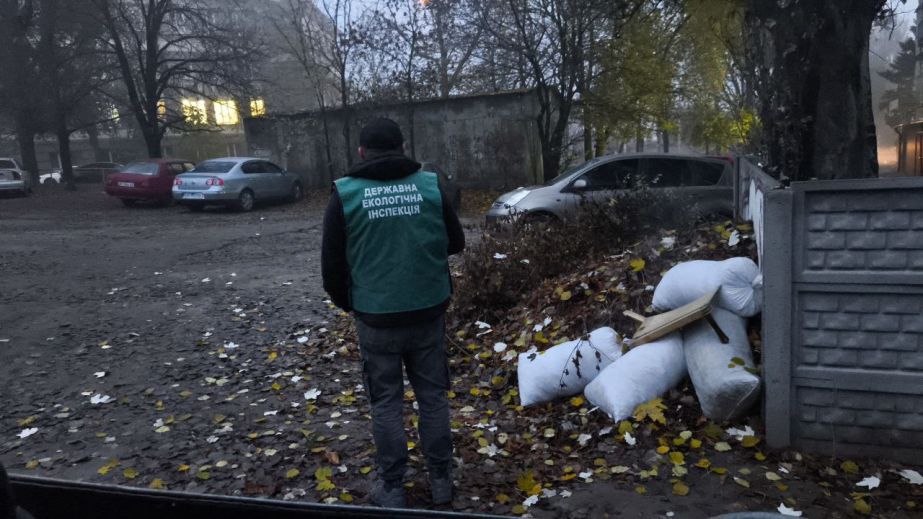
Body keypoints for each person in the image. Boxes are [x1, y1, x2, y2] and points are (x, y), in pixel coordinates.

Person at [321, 117, 465, 508]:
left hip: (376, 316)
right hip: (427, 312)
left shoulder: (345, 194)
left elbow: (332, 267)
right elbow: (456, 243)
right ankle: (440, 481)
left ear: (362, 152)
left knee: (385, 402)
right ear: (403, 148)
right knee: (432, 397)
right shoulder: (431, 186)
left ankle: (393, 487)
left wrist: (353, 304)